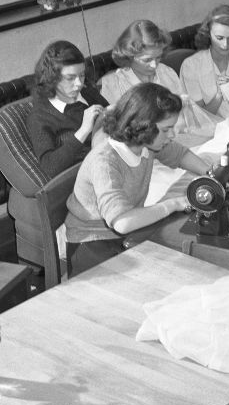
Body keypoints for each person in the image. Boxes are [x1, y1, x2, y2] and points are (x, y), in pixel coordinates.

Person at [64, 83, 208, 275]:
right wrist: (172, 204)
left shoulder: (145, 144)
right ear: (143, 126)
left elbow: (179, 155)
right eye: (166, 130)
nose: (172, 135)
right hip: (91, 242)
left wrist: (209, 174)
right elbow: (122, 222)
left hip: (123, 231)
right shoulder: (105, 162)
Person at [27, 40, 108, 179]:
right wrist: (83, 130)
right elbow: (50, 168)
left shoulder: (89, 94)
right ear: (52, 78)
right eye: (70, 78)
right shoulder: (40, 117)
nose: (79, 84)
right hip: (84, 179)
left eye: (82, 75)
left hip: (113, 164)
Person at [99, 20, 182, 103]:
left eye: (158, 57)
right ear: (129, 56)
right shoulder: (114, 85)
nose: (154, 65)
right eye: (147, 60)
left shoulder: (167, 73)